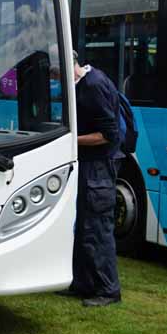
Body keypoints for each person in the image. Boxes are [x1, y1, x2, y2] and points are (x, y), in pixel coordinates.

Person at [63, 51, 122, 307]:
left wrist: (70, 141)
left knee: (96, 228)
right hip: (89, 164)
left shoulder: (94, 85)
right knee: (84, 226)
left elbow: (108, 134)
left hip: (98, 166)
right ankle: (83, 284)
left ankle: (108, 290)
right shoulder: (84, 84)